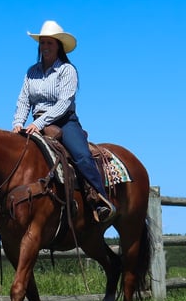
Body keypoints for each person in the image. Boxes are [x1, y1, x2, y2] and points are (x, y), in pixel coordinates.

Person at [12, 20, 116, 224]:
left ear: (58, 45)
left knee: (82, 156)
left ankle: (100, 199)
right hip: (36, 122)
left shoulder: (67, 70)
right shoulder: (31, 72)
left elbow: (64, 103)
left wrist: (39, 123)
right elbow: (23, 100)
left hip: (64, 121)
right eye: (42, 43)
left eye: (50, 43)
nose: (45, 47)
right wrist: (17, 123)